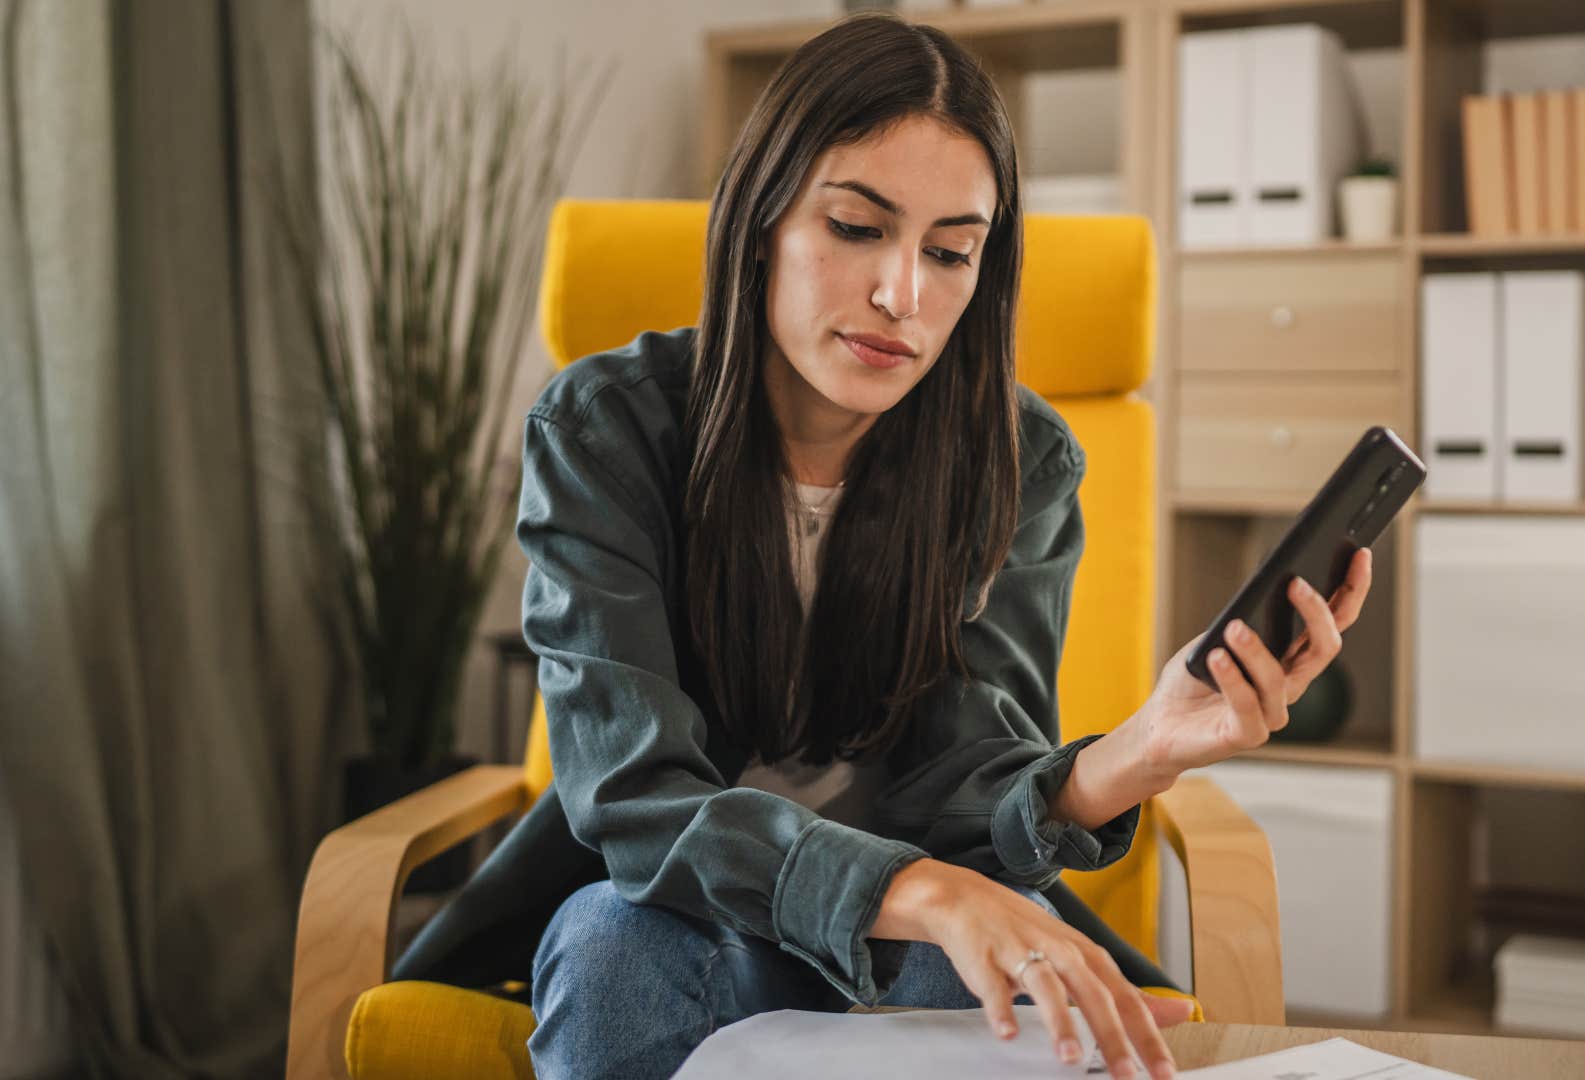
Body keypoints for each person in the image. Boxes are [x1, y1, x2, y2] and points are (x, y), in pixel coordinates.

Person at [394, 12, 1374, 1079]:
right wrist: (916, 891)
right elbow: (632, 793)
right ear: (764, 217)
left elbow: (966, 778)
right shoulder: (603, 431)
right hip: (689, 915)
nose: (903, 295)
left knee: (1007, 979)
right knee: (610, 954)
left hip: (921, 934)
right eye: (858, 228)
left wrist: (1135, 753)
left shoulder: (1022, 458)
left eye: (951, 251)